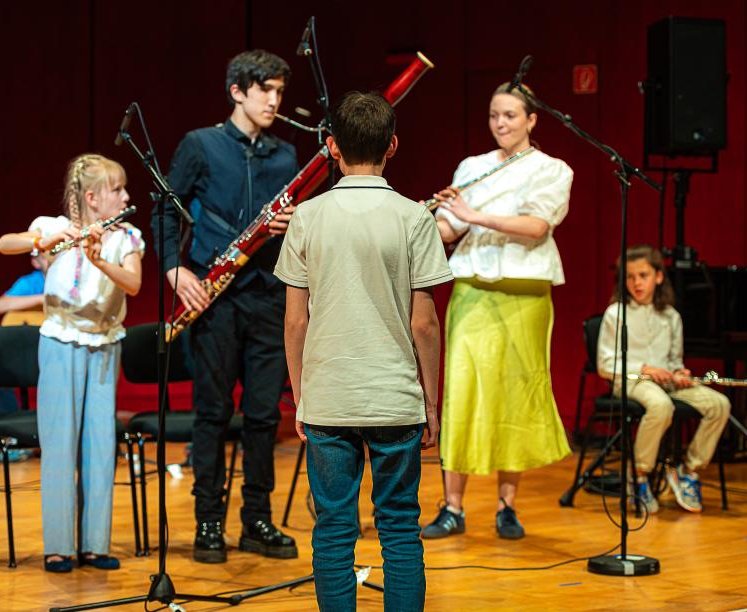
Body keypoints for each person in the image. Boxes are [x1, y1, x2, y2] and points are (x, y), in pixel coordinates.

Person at [276, 90, 451, 612]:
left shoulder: (306, 217)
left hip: (329, 396)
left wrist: (302, 394)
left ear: (331, 146)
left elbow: (294, 319)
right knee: (399, 526)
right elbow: (425, 323)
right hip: (395, 397)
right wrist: (432, 403)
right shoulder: (415, 217)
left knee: (332, 528)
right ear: (392, 145)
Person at [153, 49, 299, 563]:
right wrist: (176, 270)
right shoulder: (200, 145)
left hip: (268, 297)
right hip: (212, 300)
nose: (275, 101)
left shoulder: (285, 156)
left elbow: (296, 233)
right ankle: (208, 522)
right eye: (266, 91)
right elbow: (164, 212)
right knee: (213, 413)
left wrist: (292, 226)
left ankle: (257, 519)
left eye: (280, 92)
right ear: (237, 91)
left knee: (262, 415)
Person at [422, 82, 573, 541]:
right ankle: (452, 507)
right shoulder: (473, 167)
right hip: (473, 286)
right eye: (494, 115)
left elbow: (536, 227)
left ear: (531, 120)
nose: (501, 123)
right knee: (464, 392)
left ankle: (507, 506)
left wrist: (472, 215)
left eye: (510, 115)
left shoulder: (552, 169)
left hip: (526, 292)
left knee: (516, 395)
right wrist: (428, 218)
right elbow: (449, 230)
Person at [0, 153, 143, 572]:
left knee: (100, 445)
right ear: (93, 198)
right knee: (59, 445)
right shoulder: (53, 227)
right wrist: (40, 240)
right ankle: (58, 545)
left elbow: (132, 284)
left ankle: (95, 544)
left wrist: (99, 260)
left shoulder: (125, 237)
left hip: (103, 345)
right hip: (60, 344)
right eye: (118, 190)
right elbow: (4, 244)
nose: (126, 196)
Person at [596, 244, 730, 514]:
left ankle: (688, 470)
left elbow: (673, 361)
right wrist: (644, 369)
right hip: (630, 380)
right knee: (660, 406)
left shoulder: (671, 316)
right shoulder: (616, 313)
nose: (636, 283)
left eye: (643, 275)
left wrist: (679, 373)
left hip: (664, 382)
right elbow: (605, 364)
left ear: (658, 277)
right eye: (631, 277)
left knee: (719, 404)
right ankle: (640, 477)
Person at [0, 252, 49, 462]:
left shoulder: (70, 279)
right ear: (35, 262)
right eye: (44, 256)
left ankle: (50, 437)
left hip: (56, 353)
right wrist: (43, 298)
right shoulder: (31, 281)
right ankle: (16, 436)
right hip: (29, 353)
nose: (49, 258)